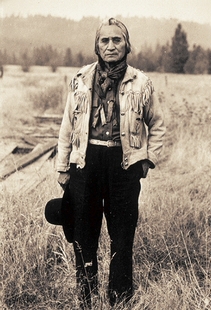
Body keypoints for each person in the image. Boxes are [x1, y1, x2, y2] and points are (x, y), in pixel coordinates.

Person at [57, 17, 165, 308]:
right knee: (83, 234)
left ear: (127, 45)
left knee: (122, 237)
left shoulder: (142, 82)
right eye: (104, 40)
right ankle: (86, 298)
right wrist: (62, 165)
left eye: (117, 40)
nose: (110, 46)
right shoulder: (81, 79)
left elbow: (159, 125)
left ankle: (120, 299)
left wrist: (147, 161)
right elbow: (68, 125)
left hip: (124, 164)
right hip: (86, 162)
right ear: (96, 46)